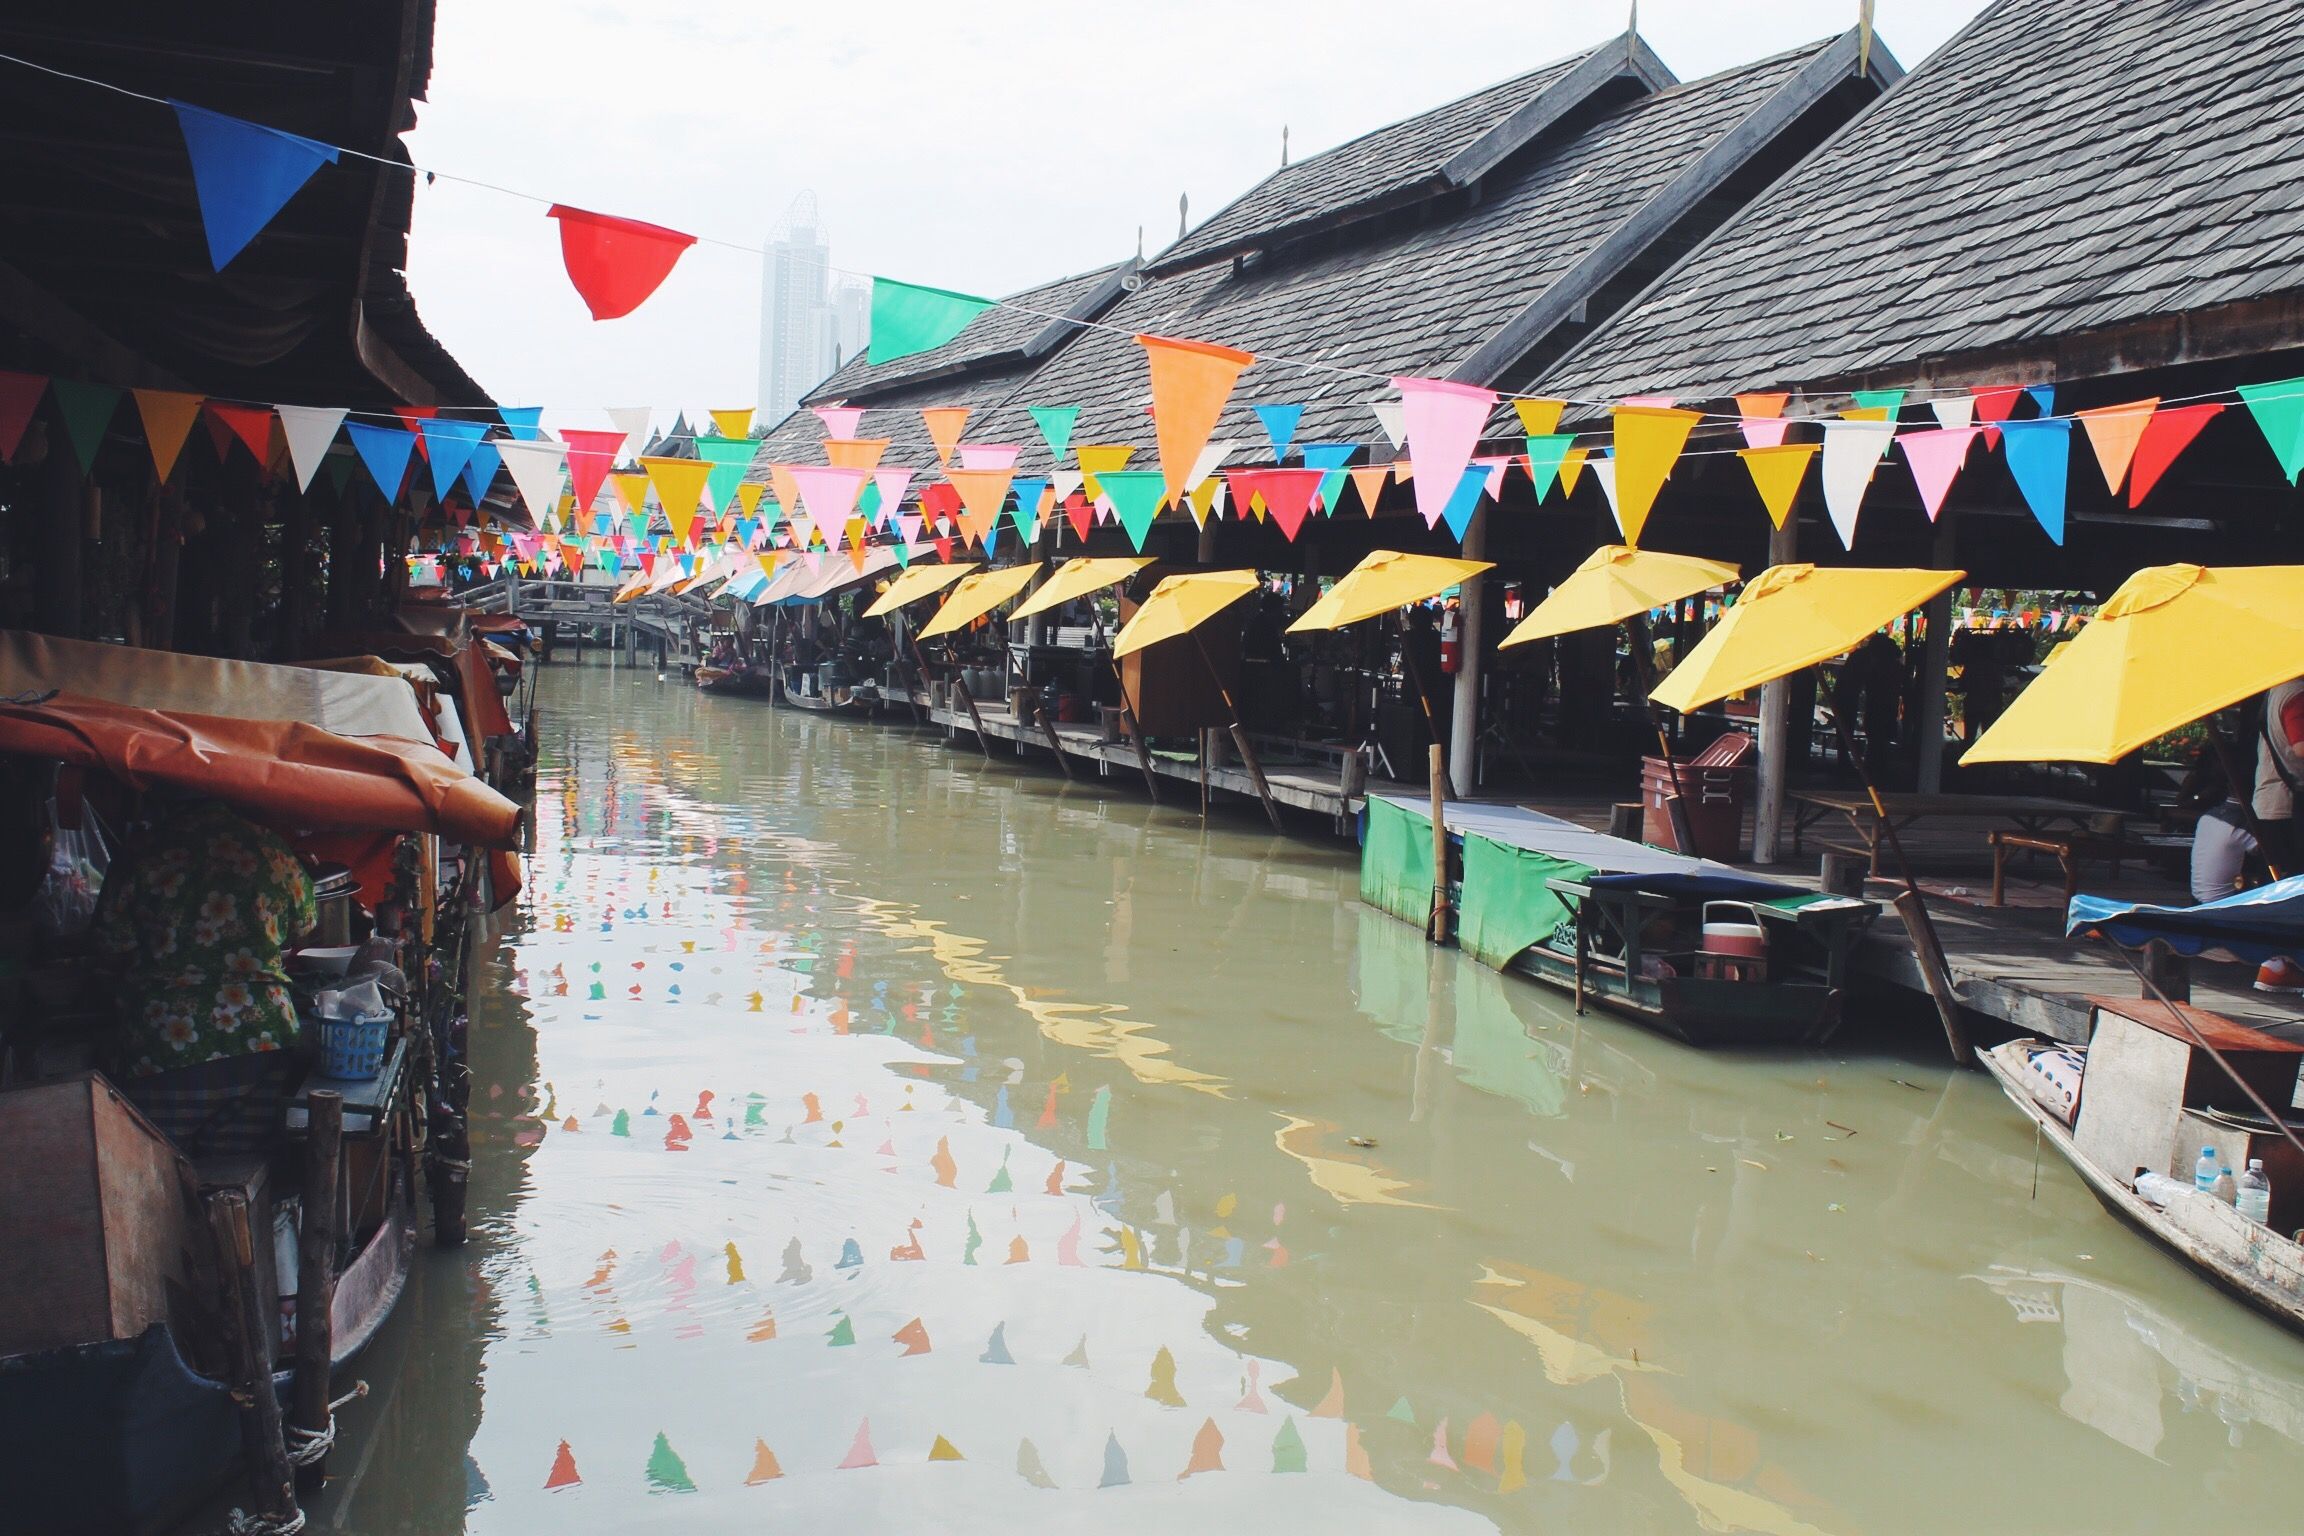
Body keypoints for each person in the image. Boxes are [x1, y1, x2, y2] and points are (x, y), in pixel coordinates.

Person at [94, 798, 317, 1080]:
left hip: (164, 1037)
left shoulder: (142, 851)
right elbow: (304, 925)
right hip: (265, 1033)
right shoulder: (271, 849)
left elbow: (111, 944)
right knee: (262, 1124)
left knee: (155, 1126)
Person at [2253, 678, 2304, 992]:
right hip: (2288, 807)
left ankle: (2277, 963)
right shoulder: (2296, 694)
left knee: (2281, 888)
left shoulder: (2274, 688)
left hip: (2272, 802)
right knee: (2293, 889)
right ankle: (2282, 963)